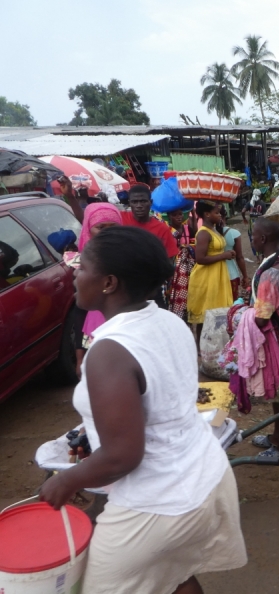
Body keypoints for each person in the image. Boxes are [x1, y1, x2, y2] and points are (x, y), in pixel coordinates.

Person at [39, 226, 246, 594]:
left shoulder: (110, 352)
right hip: (204, 477)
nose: (73, 271)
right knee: (174, 574)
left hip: (158, 503)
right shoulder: (165, 320)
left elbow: (123, 454)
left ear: (109, 283)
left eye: (83, 266)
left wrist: (66, 480)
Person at [229, 218, 279, 461]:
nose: (252, 240)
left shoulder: (269, 273)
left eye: (254, 236)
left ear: (263, 239)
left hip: (276, 337)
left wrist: (240, 315)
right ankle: (278, 437)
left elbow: (261, 317)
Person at [73, 202, 124, 375]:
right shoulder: (85, 268)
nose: (108, 232)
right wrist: (80, 358)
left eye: (113, 226)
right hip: (97, 340)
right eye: (101, 227)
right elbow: (80, 313)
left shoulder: (131, 260)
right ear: (89, 230)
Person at [187, 201, 235, 339]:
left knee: (215, 309)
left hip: (218, 274)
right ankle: (201, 348)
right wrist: (224, 255)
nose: (220, 215)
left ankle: (214, 343)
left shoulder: (213, 229)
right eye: (216, 212)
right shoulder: (203, 233)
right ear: (207, 214)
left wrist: (227, 254)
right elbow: (200, 258)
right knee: (206, 311)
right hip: (207, 276)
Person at [167, 210, 196, 322]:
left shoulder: (187, 228)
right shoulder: (167, 230)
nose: (178, 217)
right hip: (174, 267)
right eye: (175, 215)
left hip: (188, 265)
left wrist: (193, 214)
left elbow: (194, 237)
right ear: (169, 216)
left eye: (180, 214)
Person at [220, 207, 248, 301]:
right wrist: (245, 277)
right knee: (232, 303)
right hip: (231, 274)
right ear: (225, 216)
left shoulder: (207, 234)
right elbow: (239, 257)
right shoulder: (234, 233)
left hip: (215, 275)